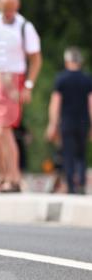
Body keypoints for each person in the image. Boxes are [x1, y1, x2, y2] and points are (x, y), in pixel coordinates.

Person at [0, 0, 42, 192]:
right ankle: (2, 175)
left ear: (18, 6)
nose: (9, 13)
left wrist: (28, 86)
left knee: (3, 129)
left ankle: (14, 179)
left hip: (15, 78)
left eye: (12, 9)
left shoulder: (25, 27)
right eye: (5, 8)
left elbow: (36, 59)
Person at [46, 47, 92, 194]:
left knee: (68, 154)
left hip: (67, 122)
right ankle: (82, 184)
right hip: (83, 122)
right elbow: (91, 103)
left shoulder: (61, 79)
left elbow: (55, 103)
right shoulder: (87, 79)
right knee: (81, 154)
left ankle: (71, 186)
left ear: (67, 61)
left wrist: (53, 124)